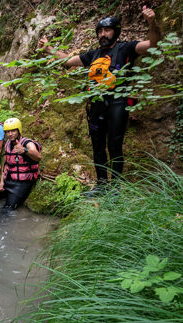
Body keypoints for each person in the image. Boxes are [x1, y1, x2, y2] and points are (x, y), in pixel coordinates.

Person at [38, 6, 160, 192]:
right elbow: (67, 60)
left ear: (115, 32)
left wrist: (152, 23)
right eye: (100, 31)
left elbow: (153, 44)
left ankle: (116, 187)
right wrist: (48, 50)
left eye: (107, 30)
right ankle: (102, 185)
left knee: (114, 145)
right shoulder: (93, 54)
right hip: (95, 106)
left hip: (118, 104)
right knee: (97, 146)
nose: (103, 34)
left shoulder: (125, 48)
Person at [0, 118, 42, 209]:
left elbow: (38, 157)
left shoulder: (28, 143)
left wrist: (24, 150)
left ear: (18, 130)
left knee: (8, 209)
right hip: (8, 181)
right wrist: (2, 181)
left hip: (22, 184)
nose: (10, 134)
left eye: (13, 131)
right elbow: (6, 163)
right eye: (7, 132)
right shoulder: (8, 143)